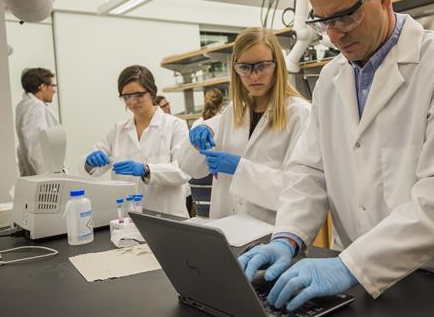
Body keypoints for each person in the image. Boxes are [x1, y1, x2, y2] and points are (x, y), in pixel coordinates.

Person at [237, 0, 434, 312]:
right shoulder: (331, 78)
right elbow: (310, 171)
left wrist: (350, 265)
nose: (334, 35)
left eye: (346, 17)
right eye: (322, 21)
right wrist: (287, 237)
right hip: (366, 282)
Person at [178, 27, 311, 224]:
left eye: (262, 66)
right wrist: (195, 141)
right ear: (236, 69)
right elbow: (192, 169)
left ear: (277, 65)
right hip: (225, 228)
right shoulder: (233, 111)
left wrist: (240, 168)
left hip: (271, 235)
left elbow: (299, 190)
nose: (254, 76)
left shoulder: (301, 114)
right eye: (245, 68)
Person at [80, 65, 190, 217]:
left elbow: (183, 171)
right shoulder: (118, 130)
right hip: (127, 218)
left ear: (151, 92)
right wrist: (89, 162)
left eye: (138, 95)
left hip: (168, 217)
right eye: (126, 97)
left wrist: (147, 170)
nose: (132, 102)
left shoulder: (175, 126)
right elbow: (90, 170)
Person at [186, 87, 225, 216]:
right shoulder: (224, 121)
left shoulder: (197, 123)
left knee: (203, 219)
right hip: (218, 179)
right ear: (222, 103)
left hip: (199, 188)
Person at [15, 67, 60, 176]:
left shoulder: (24, 106)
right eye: (52, 86)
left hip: (36, 177)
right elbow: (36, 150)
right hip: (45, 181)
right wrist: (49, 182)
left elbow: (24, 149)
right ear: (42, 86)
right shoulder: (35, 107)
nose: (54, 90)